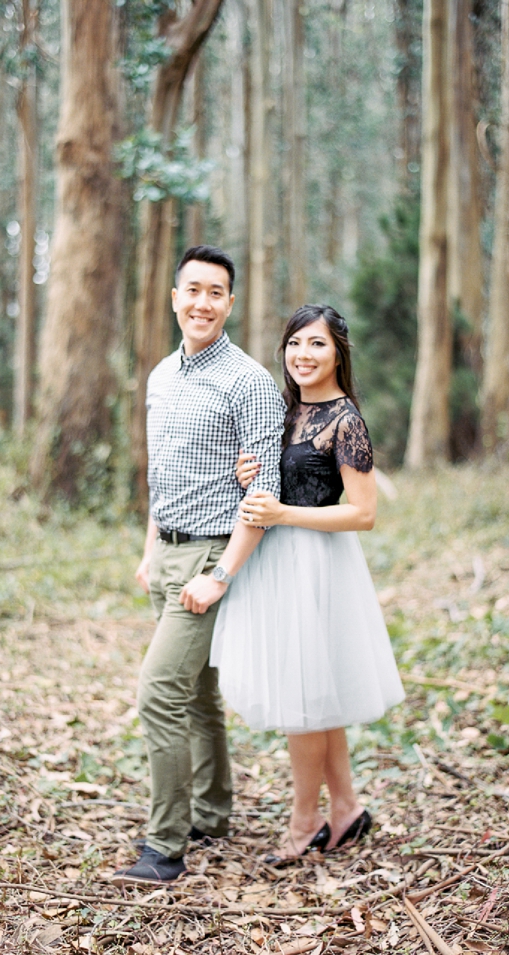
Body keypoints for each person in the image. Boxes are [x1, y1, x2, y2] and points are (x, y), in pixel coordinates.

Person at [114, 245, 286, 885]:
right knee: (198, 694)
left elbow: (263, 493)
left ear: (230, 304)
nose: (202, 303)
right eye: (193, 290)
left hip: (213, 554)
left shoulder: (248, 381)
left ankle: (165, 847)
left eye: (216, 292)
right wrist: (149, 548)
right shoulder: (161, 375)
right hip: (166, 551)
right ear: (174, 296)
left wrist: (221, 575)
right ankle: (212, 813)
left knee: (159, 692)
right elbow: (162, 473)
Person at [212, 303, 405, 863]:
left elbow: (364, 513)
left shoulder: (346, 420)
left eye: (316, 344)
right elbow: (275, 478)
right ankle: (345, 809)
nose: (303, 355)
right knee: (316, 693)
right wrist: (252, 473)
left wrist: (285, 514)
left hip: (318, 562)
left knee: (304, 696)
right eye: (295, 343)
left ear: (338, 352)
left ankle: (305, 822)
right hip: (280, 561)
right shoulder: (285, 410)